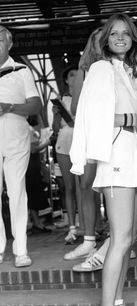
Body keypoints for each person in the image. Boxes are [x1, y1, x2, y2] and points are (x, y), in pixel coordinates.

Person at [69, 13, 137, 306]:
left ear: (133, 40)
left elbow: (130, 118)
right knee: (120, 240)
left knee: (126, 240)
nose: (121, 38)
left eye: (127, 33)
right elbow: (93, 117)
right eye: (115, 33)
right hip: (115, 162)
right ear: (106, 38)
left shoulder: (130, 73)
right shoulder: (101, 69)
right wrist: (136, 118)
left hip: (133, 160)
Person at [0, 25, 41, 267]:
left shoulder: (21, 70)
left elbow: (35, 105)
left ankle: (21, 250)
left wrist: (10, 108)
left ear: (9, 44)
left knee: (17, 192)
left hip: (16, 138)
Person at [64, 27, 106, 261]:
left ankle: (119, 241)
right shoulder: (85, 68)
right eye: (98, 40)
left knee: (116, 187)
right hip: (92, 134)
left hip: (117, 134)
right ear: (92, 44)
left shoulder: (122, 67)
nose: (103, 43)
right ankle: (89, 241)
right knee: (86, 185)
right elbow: (74, 107)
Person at [52, 65, 85, 244]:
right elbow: (56, 129)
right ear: (66, 80)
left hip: (81, 142)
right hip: (64, 142)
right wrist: (56, 115)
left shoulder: (85, 97)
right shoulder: (60, 100)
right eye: (71, 75)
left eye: (77, 74)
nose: (74, 77)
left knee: (83, 186)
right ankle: (71, 226)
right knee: (69, 186)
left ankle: (87, 226)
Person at [26, 115, 52, 232]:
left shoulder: (28, 128)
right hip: (31, 163)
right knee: (33, 192)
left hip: (33, 163)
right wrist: (47, 142)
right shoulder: (28, 129)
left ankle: (34, 220)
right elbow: (33, 149)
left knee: (33, 191)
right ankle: (36, 221)